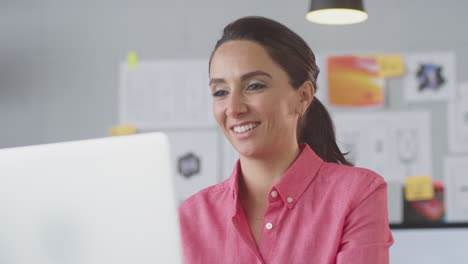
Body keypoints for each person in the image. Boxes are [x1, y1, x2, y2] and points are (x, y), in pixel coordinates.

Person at [178, 16, 394, 264]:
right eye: (220, 92)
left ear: (302, 97)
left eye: (254, 86)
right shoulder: (190, 216)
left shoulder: (358, 193)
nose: (233, 108)